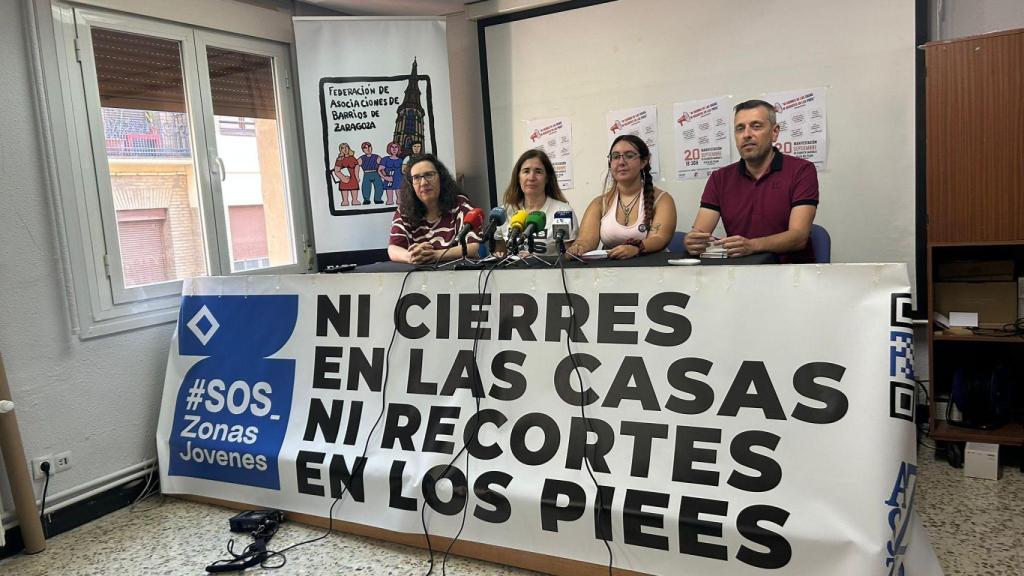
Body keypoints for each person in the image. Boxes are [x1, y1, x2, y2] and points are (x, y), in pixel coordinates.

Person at [684, 99, 818, 263]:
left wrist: (752, 245)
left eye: (756, 126)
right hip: (740, 272)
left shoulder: (802, 170)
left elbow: (798, 237)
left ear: (774, 132)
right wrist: (692, 242)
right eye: (740, 128)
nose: (746, 134)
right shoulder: (719, 178)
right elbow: (699, 232)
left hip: (792, 274)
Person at [568, 135, 676, 259]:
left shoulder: (662, 199)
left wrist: (637, 248)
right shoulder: (599, 203)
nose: (621, 162)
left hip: (653, 270)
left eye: (629, 156)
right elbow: (586, 240)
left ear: (643, 162)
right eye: (615, 157)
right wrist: (578, 247)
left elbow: (659, 238)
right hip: (612, 273)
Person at [388, 154, 481, 264]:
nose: (423, 183)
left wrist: (435, 255)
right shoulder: (405, 210)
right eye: (416, 178)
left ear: (441, 178)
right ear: (411, 184)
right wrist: (411, 257)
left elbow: (473, 247)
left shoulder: (460, 204)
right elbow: (393, 248)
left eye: (429, 175)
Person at [496, 149, 576, 256]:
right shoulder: (505, 212)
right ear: (518, 177)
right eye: (526, 171)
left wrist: (535, 260)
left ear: (547, 178)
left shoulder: (563, 212)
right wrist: (500, 254)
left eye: (538, 171)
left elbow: (569, 258)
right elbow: (500, 252)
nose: (531, 177)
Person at [380, 142, 404, 206]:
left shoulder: (400, 160)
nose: (394, 149)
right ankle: (390, 200)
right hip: (389, 179)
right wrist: (385, 177)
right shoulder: (385, 159)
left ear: (398, 149)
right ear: (389, 149)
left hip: (399, 180)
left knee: (399, 200)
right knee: (389, 200)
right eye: (392, 147)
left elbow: (403, 170)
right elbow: (380, 170)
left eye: (396, 147)